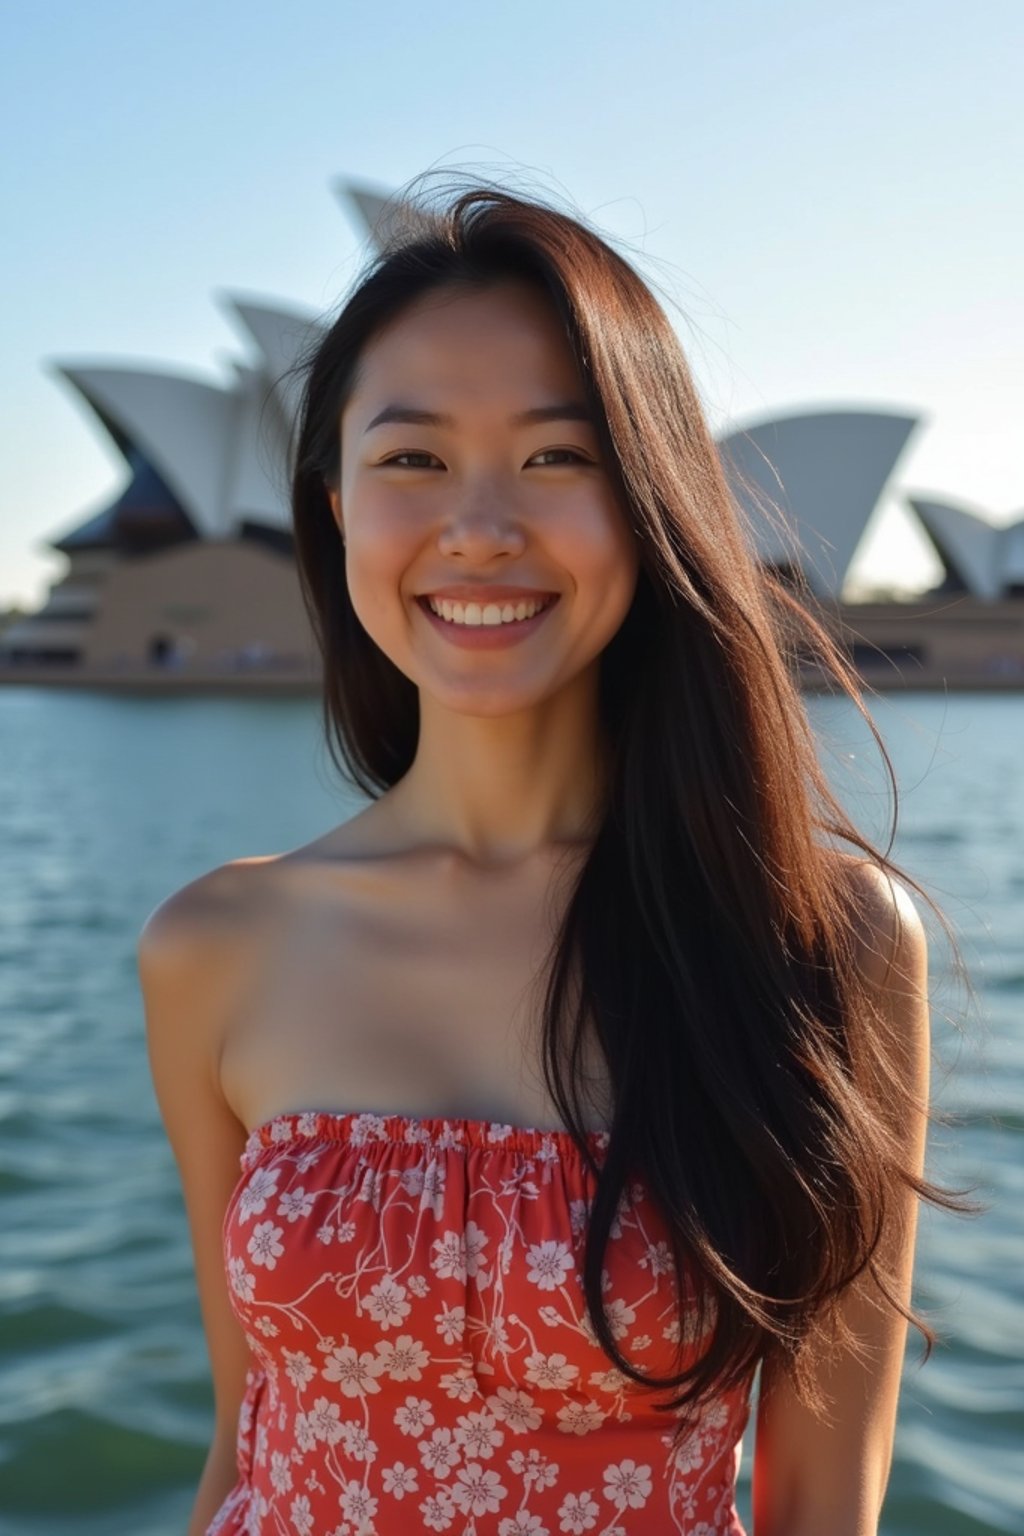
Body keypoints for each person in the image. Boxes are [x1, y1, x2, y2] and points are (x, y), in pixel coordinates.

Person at [138, 176, 966, 1536]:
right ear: (335, 502)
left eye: (555, 456)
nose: (479, 525)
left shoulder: (823, 939)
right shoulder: (213, 947)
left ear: (647, 503)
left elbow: (823, 1499)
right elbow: (245, 1440)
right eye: (410, 459)